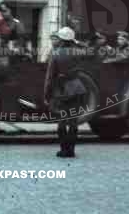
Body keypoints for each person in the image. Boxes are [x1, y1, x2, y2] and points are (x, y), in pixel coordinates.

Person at [43, 27, 87, 158]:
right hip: (78, 88)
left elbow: (49, 77)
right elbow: (90, 49)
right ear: (71, 39)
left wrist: (46, 94)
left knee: (62, 121)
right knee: (73, 122)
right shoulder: (78, 51)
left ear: (61, 40)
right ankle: (71, 151)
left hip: (62, 90)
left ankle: (63, 150)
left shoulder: (55, 53)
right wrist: (77, 41)